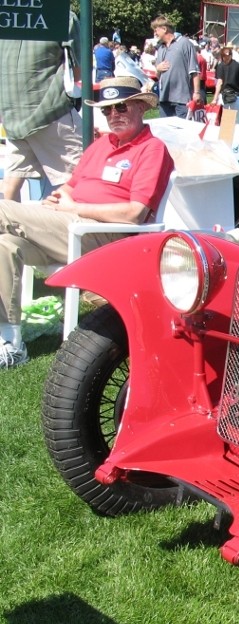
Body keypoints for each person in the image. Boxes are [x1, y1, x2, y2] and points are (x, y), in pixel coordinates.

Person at [0, 77, 173, 369]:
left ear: (142, 106)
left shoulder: (152, 149)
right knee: (5, 244)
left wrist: (75, 207)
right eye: (107, 110)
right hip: (70, 226)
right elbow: (72, 184)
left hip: (107, 237)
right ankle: (11, 343)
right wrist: (59, 198)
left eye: (121, 107)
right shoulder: (101, 145)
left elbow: (135, 213)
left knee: (4, 210)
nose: (113, 115)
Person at [0, 16, 83, 202]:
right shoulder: (61, 14)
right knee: (78, 176)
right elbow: (79, 69)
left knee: (11, 182)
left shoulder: (7, 14)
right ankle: (71, 230)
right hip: (50, 110)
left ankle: (7, 227)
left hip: (12, 114)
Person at [152, 16, 201, 118]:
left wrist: (196, 93)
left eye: (156, 30)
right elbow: (158, 76)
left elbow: (194, 71)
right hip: (164, 99)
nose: (154, 33)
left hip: (182, 99)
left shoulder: (184, 43)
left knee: (182, 131)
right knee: (165, 131)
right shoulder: (161, 48)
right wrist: (158, 69)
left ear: (164, 29)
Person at [212, 44, 239, 113]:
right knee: (235, 121)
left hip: (224, 96)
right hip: (236, 96)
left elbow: (219, 83)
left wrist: (215, 98)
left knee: (225, 121)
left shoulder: (220, 66)